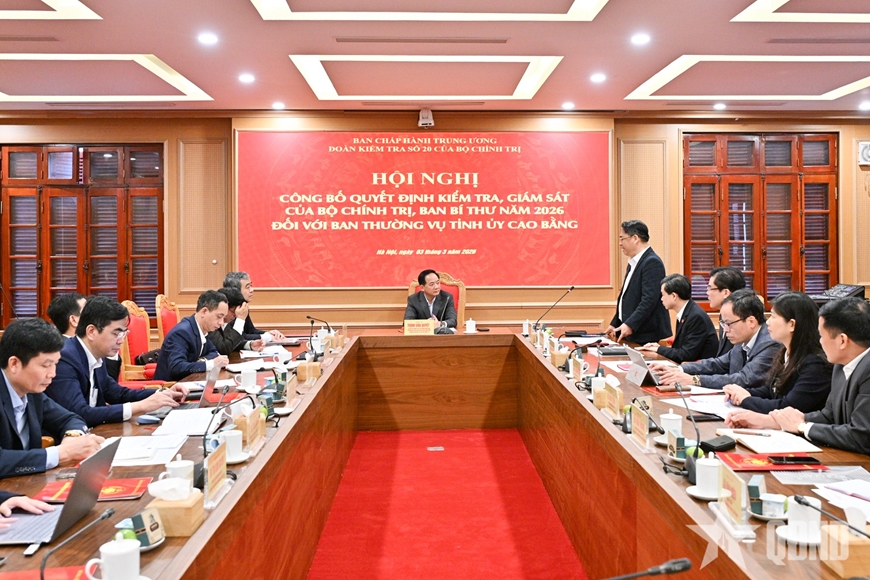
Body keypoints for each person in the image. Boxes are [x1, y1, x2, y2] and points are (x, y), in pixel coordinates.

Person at [731, 298, 870, 454]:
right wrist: (770, 421)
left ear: (842, 341)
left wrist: (802, 427)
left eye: (821, 336)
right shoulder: (841, 364)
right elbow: (828, 415)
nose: (820, 341)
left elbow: (861, 437)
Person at [45, 296, 188, 427]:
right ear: (91, 332)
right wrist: (141, 406)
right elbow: (80, 413)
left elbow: (118, 394)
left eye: (124, 333)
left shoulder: (95, 355)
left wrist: (163, 393)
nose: (121, 340)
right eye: (116, 333)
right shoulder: (65, 358)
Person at [0, 318, 104, 478]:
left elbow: (70, 418)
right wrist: (61, 453)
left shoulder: (32, 393)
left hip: (27, 482)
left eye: (55, 364)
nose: (53, 374)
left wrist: (73, 438)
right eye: (45, 365)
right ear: (14, 364)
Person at [724, 292, 831, 423]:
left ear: (792, 324)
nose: (768, 322)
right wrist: (741, 392)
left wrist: (746, 399)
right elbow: (770, 391)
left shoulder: (815, 363)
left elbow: (787, 407)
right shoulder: (785, 351)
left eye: (773, 317)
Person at [651, 289, 779, 389]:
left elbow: (744, 379)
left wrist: (695, 380)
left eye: (729, 324)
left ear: (751, 321)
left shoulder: (769, 343)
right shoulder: (743, 339)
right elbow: (718, 364)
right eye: (723, 324)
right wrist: (678, 369)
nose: (726, 329)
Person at [604, 220, 670, 345]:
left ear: (635, 238)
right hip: (632, 331)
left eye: (622, 238)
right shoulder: (634, 262)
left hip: (645, 333)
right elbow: (626, 298)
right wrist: (615, 323)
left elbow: (649, 300)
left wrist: (630, 324)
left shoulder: (652, 262)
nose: (620, 243)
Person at [637, 273, 718, 363]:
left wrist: (659, 349)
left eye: (663, 295)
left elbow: (686, 355)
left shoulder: (695, 317)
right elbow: (680, 349)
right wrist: (658, 347)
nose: (661, 299)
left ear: (674, 296)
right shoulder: (687, 311)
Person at [153, 290, 230, 381]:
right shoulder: (182, 333)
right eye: (219, 317)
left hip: (190, 381)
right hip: (170, 385)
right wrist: (210, 364)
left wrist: (202, 361)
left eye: (223, 318)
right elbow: (177, 367)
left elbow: (213, 352)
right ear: (204, 311)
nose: (221, 323)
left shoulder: (202, 329)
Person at [223, 272, 285, 342]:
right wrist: (267, 337)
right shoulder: (228, 309)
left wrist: (268, 334)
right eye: (247, 287)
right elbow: (238, 337)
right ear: (236, 290)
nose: (252, 290)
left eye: (251, 286)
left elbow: (251, 331)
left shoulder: (243, 305)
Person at [208, 288, 265, 356]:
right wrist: (240, 319)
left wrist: (249, 344)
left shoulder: (226, 321)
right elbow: (224, 349)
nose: (235, 315)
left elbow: (229, 341)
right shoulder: (211, 322)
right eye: (234, 312)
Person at [706, 267, 746, 357]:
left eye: (710, 289)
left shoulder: (740, 319)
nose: (707, 293)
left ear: (725, 292)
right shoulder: (724, 315)